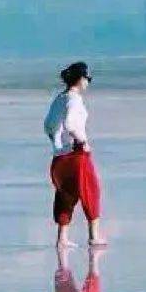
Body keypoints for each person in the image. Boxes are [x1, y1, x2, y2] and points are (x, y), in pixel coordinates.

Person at [44, 63, 102, 279]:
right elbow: (70, 123)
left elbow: (49, 125)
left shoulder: (58, 99)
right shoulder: (74, 99)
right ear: (80, 79)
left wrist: (57, 144)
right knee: (91, 192)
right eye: (88, 79)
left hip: (59, 159)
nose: (88, 82)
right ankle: (94, 236)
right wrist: (82, 141)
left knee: (65, 197)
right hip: (76, 155)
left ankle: (62, 238)